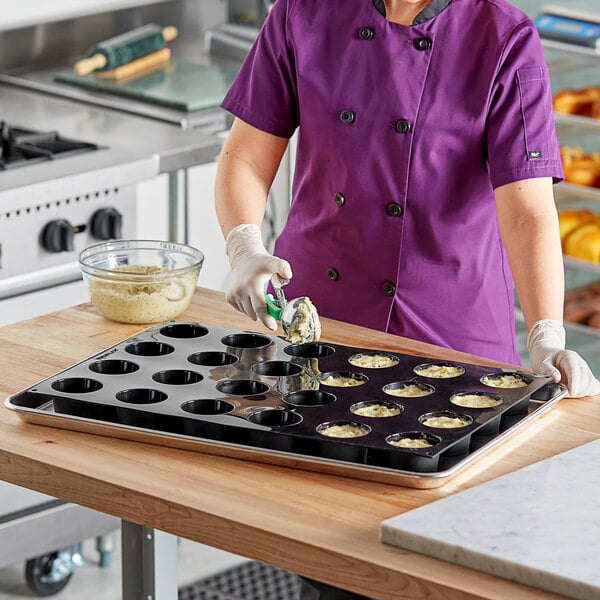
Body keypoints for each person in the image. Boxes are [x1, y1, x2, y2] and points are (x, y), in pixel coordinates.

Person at [216, 0, 600, 392]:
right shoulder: (302, 11)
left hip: (450, 333)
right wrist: (243, 245)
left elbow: (527, 212)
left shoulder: (504, 36)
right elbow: (246, 155)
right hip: (314, 317)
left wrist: (546, 335)